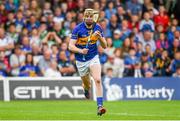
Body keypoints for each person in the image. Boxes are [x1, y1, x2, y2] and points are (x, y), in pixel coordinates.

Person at [68, 8, 107, 116]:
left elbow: (105, 46)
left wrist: (100, 38)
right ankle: (85, 89)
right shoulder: (78, 29)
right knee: (87, 84)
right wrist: (81, 50)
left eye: (91, 16)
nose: (89, 18)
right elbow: (70, 46)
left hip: (93, 57)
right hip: (81, 61)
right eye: (87, 16)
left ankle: (100, 106)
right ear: (84, 17)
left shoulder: (97, 27)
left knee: (98, 80)